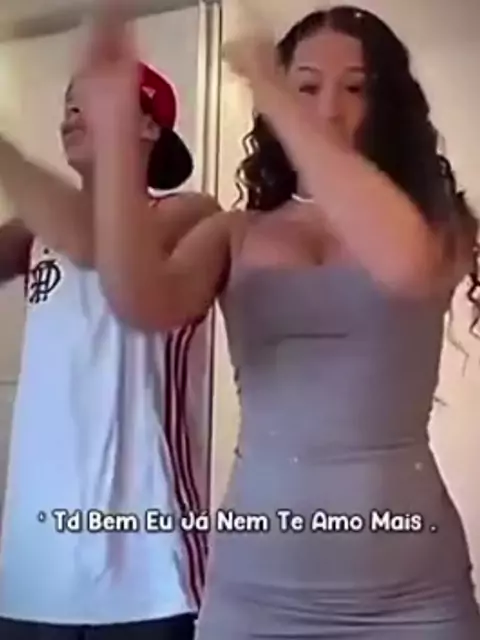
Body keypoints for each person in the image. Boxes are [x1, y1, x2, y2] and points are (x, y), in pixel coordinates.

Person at [82, 2, 480, 638]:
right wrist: (114, 141)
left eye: (356, 88)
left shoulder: (437, 223)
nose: (329, 109)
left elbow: (404, 264)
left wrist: (272, 86)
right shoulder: (235, 233)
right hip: (255, 597)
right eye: (307, 88)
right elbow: (140, 300)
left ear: (389, 105)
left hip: (415, 602)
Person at [0, 18, 218, 640]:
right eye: (69, 103)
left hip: (149, 577)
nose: (71, 112)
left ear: (148, 126)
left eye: (91, 99)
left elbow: (98, 242)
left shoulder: (187, 214)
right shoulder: (36, 233)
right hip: (33, 576)